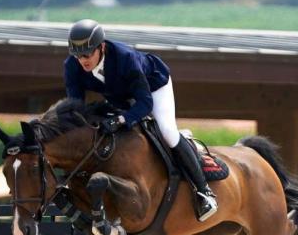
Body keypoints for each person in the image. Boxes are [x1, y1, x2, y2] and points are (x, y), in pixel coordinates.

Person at [64, 19, 217, 222]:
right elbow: (75, 107)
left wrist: (120, 120)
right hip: (119, 95)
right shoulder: (72, 66)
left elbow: (144, 103)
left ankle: (204, 192)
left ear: (101, 47)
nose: (82, 60)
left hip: (154, 87)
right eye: (77, 55)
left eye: (87, 54)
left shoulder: (125, 58)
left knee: (167, 132)